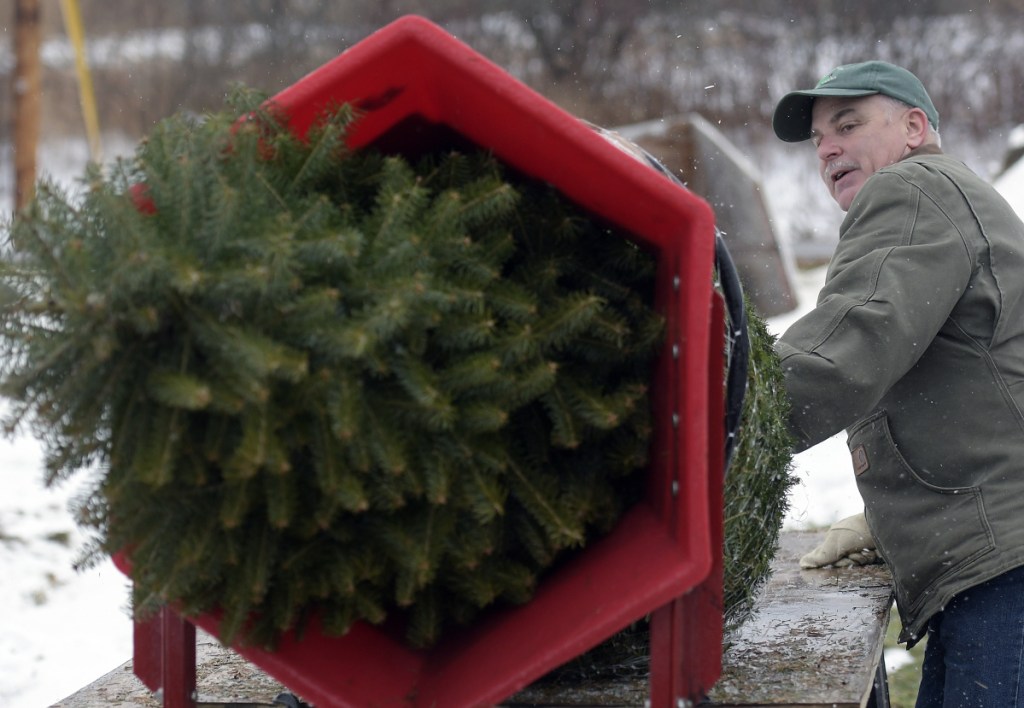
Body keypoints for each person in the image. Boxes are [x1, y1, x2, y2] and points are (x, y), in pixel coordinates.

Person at [771, 60, 1024, 706]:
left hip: (1009, 573)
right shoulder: (947, 198)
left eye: (848, 125)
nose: (828, 147)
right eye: (819, 140)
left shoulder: (915, 191)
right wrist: (889, 522)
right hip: (994, 566)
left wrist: (717, 414)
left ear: (914, 127)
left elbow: (848, 347)